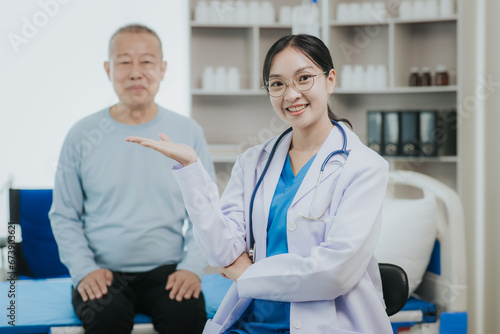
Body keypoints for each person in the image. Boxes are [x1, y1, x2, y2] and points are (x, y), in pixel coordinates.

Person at [126, 34, 392, 334]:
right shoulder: (254, 162)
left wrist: (248, 274)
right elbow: (222, 253)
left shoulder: (364, 167)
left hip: (328, 324)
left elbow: (334, 274)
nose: (291, 95)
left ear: (330, 80)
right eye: (277, 84)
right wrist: (191, 171)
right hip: (252, 323)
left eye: (304, 78)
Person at [49, 24, 214, 334]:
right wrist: (85, 271)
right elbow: (64, 215)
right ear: (108, 68)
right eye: (124, 61)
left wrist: (191, 268)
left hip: (168, 272)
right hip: (104, 272)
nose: (136, 72)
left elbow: (204, 212)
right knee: (106, 320)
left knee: (187, 320)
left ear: (162, 69)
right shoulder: (82, 134)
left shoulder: (187, 131)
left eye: (147, 61)